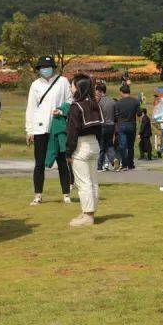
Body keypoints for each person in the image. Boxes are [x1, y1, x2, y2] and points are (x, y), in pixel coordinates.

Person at [25, 55, 73, 205]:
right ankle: (38, 195)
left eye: (48, 67)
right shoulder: (35, 85)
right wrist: (29, 130)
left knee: (62, 161)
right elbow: (31, 108)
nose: (45, 70)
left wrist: (62, 110)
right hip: (40, 128)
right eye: (42, 68)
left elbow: (70, 100)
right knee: (39, 163)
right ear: (39, 69)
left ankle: (66, 194)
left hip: (57, 127)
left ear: (53, 67)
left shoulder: (63, 81)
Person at [65, 74, 104, 227]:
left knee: (84, 183)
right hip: (94, 144)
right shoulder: (94, 104)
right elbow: (100, 129)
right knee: (93, 182)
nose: (70, 88)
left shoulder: (76, 106)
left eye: (72, 85)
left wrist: (69, 152)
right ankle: (89, 212)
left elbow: (72, 132)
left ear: (78, 87)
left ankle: (88, 216)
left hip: (81, 146)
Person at [114, 83, 140, 170]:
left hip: (122, 125)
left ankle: (124, 164)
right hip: (132, 124)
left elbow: (116, 115)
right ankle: (131, 164)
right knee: (131, 146)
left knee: (122, 146)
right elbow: (139, 114)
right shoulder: (136, 101)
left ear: (121, 92)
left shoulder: (118, 102)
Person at [96, 81, 119, 172]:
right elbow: (116, 115)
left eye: (97, 91)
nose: (96, 93)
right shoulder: (113, 101)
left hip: (101, 126)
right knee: (110, 145)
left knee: (101, 147)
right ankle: (114, 159)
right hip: (111, 125)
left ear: (100, 91)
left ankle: (99, 166)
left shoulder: (98, 102)